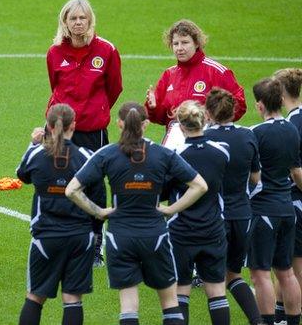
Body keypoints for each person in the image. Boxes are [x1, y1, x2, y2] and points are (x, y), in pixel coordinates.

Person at [65, 102, 208, 325]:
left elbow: (72, 190)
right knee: (170, 302)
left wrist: (99, 212)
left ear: (119, 123)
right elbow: (200, 185)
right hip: (155, 235)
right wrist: (170, 209)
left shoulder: (107, 154)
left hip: (119, 237)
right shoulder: (162, 154)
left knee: (129, 306)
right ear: (146, 124)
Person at [46, 0, 123, 267]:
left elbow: (114, 88)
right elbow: (55, 86)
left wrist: (96, 111)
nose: (78, 23)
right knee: (57, 180)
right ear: (65, 22)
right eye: (73, 19)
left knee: (92, 184)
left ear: (90, 21)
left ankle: (95, 243)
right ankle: (62, 239)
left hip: (93, 130)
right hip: (60, 129)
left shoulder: (106, 50)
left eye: (83, 18)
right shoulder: (55, 52)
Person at [15, 104, 97, 325]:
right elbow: (97, 199)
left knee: (35, 296)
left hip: (46, 237)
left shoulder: (37, 155)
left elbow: (21, 175)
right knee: (72, 299)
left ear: (48, 127)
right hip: (80, 237)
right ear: (74, 126)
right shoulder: (86, 158)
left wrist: (33, 143)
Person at [166, 101, 231, 325]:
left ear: (180, 126)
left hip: (181, 230)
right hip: (213, 228)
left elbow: (165, 190)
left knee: (181, 289)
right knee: (216, 291)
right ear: (205, 120)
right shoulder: (222, 151)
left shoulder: (175, 156)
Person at [202, 89, 262, 325]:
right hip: (243, 215)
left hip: (216, 217)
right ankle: (257, 322)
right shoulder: (248, 136)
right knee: (234, 275)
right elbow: (256, 178)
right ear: (234, 110)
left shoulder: (204, 139)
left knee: (215, 281)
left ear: (207, 113)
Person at [249, 76, 302, 325]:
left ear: (259, 105)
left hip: (262, 210)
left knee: (260, 274)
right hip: (286, 207)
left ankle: (267, 322)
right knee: (287, 272)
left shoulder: (255, 134)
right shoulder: (292, 128)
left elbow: (251, 176)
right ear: (281, 100)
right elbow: (296, 171)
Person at [145, 19, 246, 127]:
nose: (179, 48)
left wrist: (212, 118)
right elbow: (160, 118)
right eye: (175, 44)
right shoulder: (169, 75)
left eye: (184, 42)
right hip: (176, 141)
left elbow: (240, 105)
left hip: (208, 139)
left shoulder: (217, 72)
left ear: (197, 43)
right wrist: (152, 108)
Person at [277, 68, 302, 323]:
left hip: (295, 200)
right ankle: (280, 313)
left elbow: (296, 171)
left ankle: (292, 314)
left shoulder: (291, 125)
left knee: (294, 266)